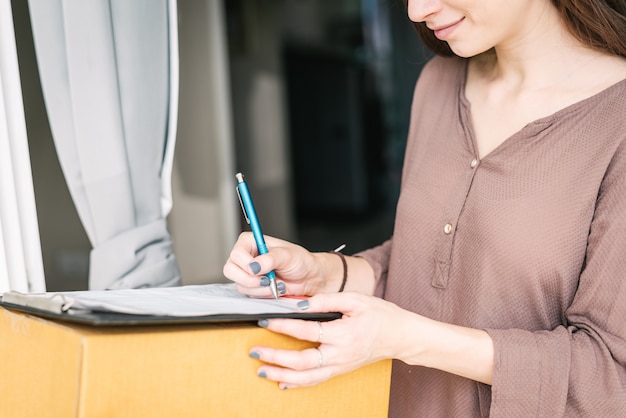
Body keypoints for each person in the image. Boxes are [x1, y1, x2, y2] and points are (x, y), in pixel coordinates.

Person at [223, 0, 626, 416]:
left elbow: (611, 375)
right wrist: (326, 272)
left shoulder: (617, 121)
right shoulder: (438, 82)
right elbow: (429, 266)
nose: (417, 11)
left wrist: (407, 338)